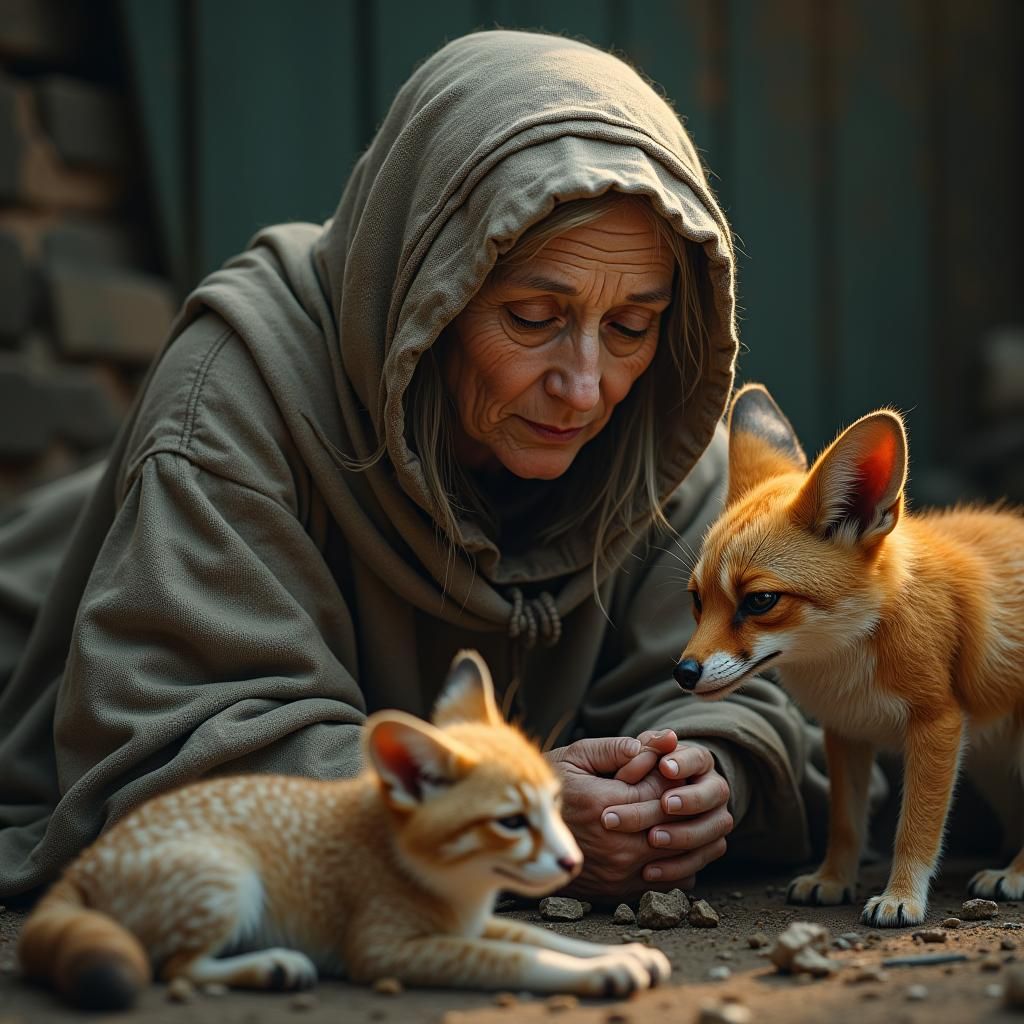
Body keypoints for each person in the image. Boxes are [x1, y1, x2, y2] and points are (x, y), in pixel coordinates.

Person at [0, 29, 822, 904]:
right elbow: (175, 744)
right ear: (432, 295)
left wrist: (706, 776)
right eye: (535, 316)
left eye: (629, 327)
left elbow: (771, 691)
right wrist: (498, 808)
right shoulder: (235, 397)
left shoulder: (656, 427)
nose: (586, 389)